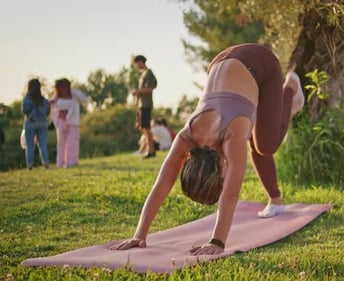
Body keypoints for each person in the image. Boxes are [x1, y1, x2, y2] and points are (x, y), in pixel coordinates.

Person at [110, 43, 304, 255]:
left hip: (261, 62)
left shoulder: (232, 136)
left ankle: (291, 90)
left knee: (266, 146)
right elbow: (160, 186)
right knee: (257, 137)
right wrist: (139, 235)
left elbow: (231, 194)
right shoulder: (187, 136)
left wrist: (217, 242)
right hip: (221, 60)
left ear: (221, 169)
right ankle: (274, 196)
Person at [50, 78, 88, 168]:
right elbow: (52, 108)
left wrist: (74, 91)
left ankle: (72, 162)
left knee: (72, 142)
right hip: (61, 121)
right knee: (61, 142)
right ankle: (60, 162)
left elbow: (84, 99)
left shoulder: (74, 95)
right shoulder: (56, 97)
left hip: (72, 122)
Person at [132, 55, 158, 159]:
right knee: (141, 127)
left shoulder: (148, 73)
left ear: (141, 62)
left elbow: (150, 88)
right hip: (141, 104)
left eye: (136, 63)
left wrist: (137, 91)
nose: (136, 66)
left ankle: (151, 150)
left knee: (146, 128)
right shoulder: (142, 74)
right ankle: (149, 149)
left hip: (146, 104)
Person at [21, 79, 50, 170]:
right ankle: (45, 163)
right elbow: (47, 111)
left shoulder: (27, 99)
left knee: (30, 145)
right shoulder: (44, 100)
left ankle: (29, 164)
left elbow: (24, 111)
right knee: (42, 144)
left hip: (30, 123)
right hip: (42, 123)